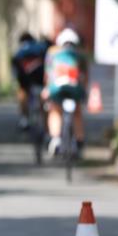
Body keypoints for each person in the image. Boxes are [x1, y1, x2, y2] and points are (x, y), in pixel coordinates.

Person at [43, 27, 88, 157]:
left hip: (57, 88)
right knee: (77, 112)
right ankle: (79, 140)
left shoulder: (52, 53)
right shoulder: (80, 54)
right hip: (75, 89)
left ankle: (56, 138)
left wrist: (46, 90)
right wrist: (84, 92)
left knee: (55, 110)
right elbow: (84, 76)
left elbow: (48, 75)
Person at [12, 32, 50, 130]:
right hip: (40, 75)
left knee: (22, 91)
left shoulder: (22, 49)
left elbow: (15, 62)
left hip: (24, 75)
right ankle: (46, 125)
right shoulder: (40, 46)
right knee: (43, 96)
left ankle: (24, 119)